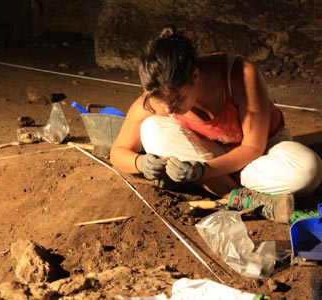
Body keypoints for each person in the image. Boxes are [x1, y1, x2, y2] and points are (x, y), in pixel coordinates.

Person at [110, 25, 322, 223]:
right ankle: (240, 197)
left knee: (308, 170)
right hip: (211, 160)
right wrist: (141, 163)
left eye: (176, 100)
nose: (168, 110)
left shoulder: (239, 74)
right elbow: (118, 151)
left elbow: (253, 148)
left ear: (195, 76)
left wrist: (202, 172)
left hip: (262, 154)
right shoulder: (157, 97)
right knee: (152, 130)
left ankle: (226, 188)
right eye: (161, 102)